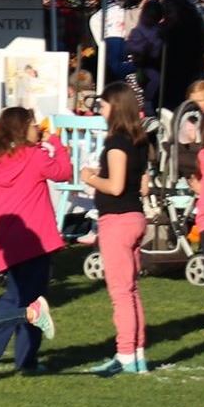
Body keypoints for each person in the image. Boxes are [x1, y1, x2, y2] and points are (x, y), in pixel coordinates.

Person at [0, 107, 67, 374]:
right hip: (36, 241)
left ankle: (22, 359)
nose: (38, 127)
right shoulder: (35, 157)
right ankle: (2, 353)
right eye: (33, 123)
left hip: (8, 244)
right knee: (29, 301)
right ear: (22, 129)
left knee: (21, 298)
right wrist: (56, 144)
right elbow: (63, 172)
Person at [83, 87, 151, 376]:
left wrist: (90, 177)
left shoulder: (116, 143)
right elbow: (144, 186)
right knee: (131, 290)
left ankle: (124, 354)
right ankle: (136, 353)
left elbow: (115, 186)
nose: (101, 110)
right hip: (136, 217)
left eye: (104, 105)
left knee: (120, 293)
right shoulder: (140, 141)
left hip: (118, 220)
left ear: (116, 107)